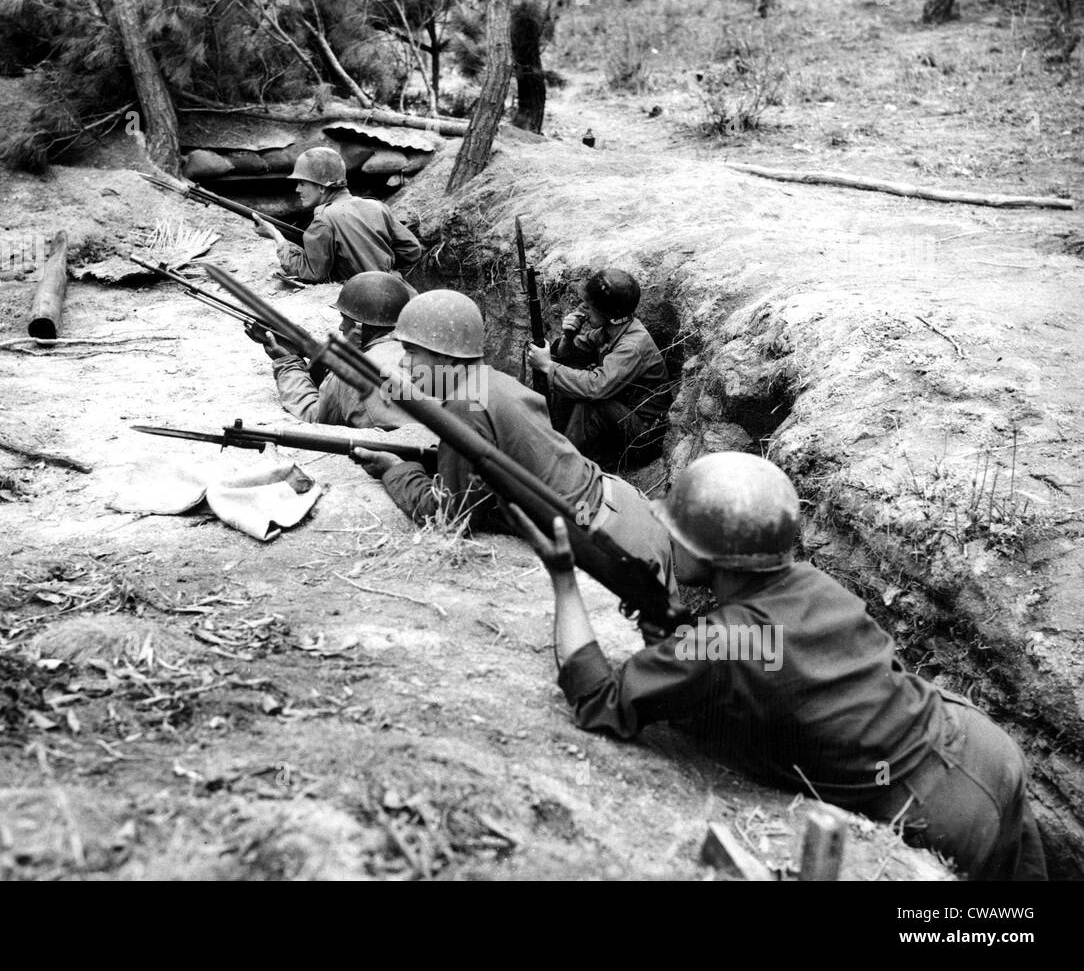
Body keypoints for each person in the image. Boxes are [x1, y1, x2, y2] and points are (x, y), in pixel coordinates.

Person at [512, 451, 1047, 882]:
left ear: (713, 553)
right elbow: (774, 654)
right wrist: (677, 639)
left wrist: (564, 579)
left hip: (937, 808)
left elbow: (598, 701)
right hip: (983, 745)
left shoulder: (725, 642)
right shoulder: (812, 583)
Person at [350, 289, 678, 613]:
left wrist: (395, 470)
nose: (404, 364)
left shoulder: (466, 405)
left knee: (671, 649)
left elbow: (450, 515)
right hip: (628, 510)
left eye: (410, 351)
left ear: (445, 357)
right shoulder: (491, 382)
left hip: (612, 542)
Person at [527, 268, 672, 469]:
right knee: (570, 372)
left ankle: (564, 465)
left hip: (643, 440)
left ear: (609, 314)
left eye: (589, 306)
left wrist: (547, 366)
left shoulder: (632, 345)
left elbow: (596, 387)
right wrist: (568, 337)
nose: (583, 309)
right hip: (624, 420)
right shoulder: (611, 330)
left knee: (593, 401)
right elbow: (571, 357)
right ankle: (558, 440)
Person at [249, 271, 413, 431]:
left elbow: (312, 415)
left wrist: (288, 362)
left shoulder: (349, 376)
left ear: (357, 328)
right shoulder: (424, 352)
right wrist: (310, 348)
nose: (341, 326)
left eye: (344, 319)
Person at [251, 146, 422, 284]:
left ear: (322, 187)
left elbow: (312, 272)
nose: (297, 189)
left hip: (366, 300)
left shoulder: (324, 218)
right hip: (399, 291)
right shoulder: (377, 206)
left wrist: (276, 235)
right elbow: (412, 250)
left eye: (302, 183)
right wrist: (385, 269)